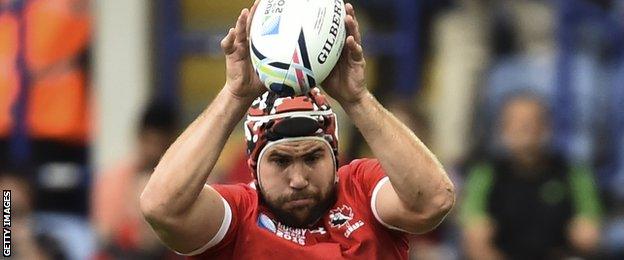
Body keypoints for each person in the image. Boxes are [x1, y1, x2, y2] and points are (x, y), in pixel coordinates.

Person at [139, 1, 455, 259]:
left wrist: (357, 98)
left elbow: (435, 200)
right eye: (280, 161)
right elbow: (161, 207)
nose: (299, 179)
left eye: (313, 157)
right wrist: (234, 95)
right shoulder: (239, 216)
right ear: (253, 166)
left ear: (335, 155)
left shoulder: (361, 190)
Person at [460, 93, 602, 259]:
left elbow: (589, 233)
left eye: (531, 121)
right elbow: (475, 239)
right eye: (515, 122)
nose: (523, 128)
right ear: (502, 129)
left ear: (547, 127)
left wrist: (585, 232)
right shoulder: (485, 173)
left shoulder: (572, 172)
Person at [91, 101, 180, 259]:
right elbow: (105, 233)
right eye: (149, 142)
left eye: (159, 144)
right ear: (140, 137)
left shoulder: (188, 180)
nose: (153, 151)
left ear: (172, 142)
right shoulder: (114, 179)